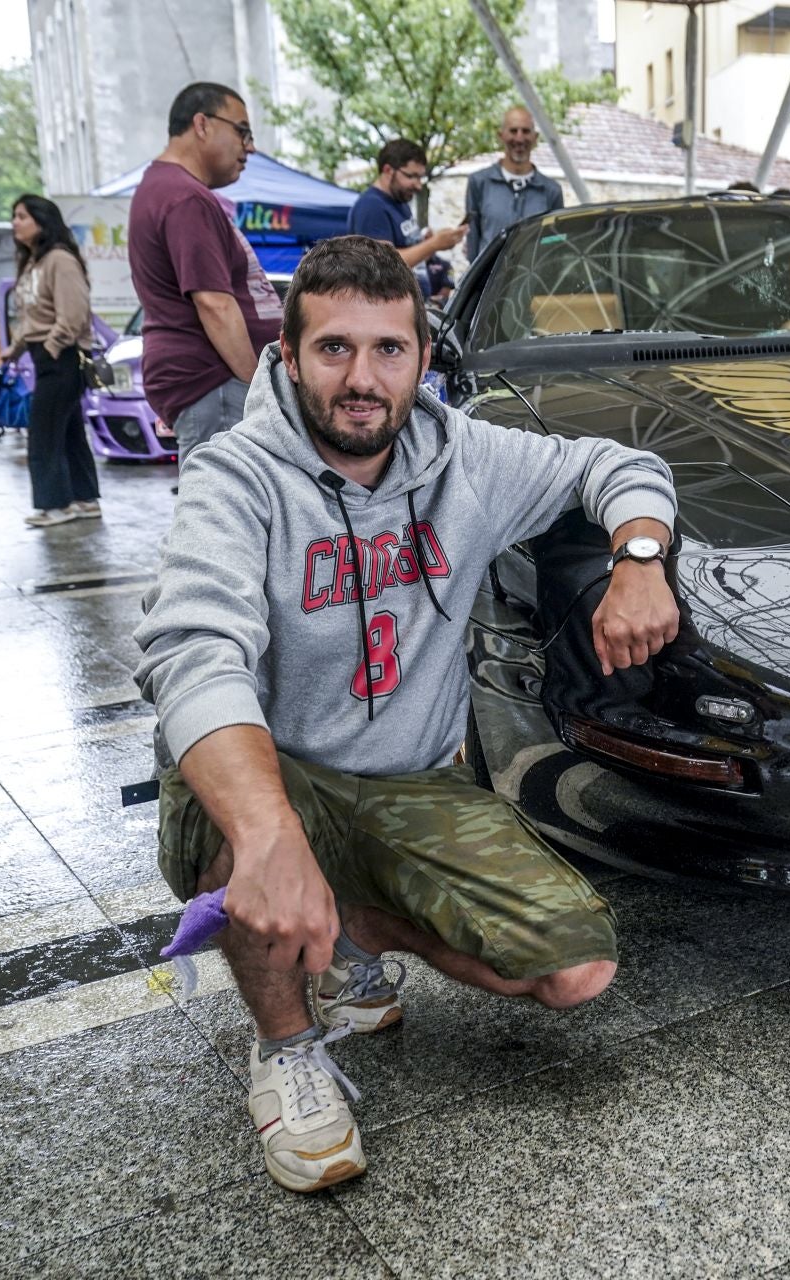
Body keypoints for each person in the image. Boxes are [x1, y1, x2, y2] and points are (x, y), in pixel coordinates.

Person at [133, 235, 679, 1195]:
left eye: (389, 349)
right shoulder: (237, 474)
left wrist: (639, 557)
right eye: (334, 348)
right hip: (278, 769)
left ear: (423, 361)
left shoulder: (465, 456)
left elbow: (615, 462)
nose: (362, 378)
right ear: (289, 357)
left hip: (411, 779)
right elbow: (193, 651)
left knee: (574, 970)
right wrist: (265, 835)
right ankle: (288, 1048)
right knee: (247, 820)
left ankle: (358, 926)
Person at [129, 82, 284, 458]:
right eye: (242, 131)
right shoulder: (184, 197)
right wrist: (257, 390)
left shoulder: (174, 190)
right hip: (215, 382)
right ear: (202, 124)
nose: (250, 147)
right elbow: (215, 305)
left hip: (214, 384)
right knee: (225, 511)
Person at [0, 194, 103, 528]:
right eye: (14, 216)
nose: (15, 222)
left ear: (43, 221)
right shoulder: (33, 263)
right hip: (45, 354)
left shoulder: (60, 259)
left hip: (62, 356)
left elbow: (73, 313)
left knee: (42, 431)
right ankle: (85, 499)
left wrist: (52, 346)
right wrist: (16, 348)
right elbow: (31, 316)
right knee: (68, 430)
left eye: (22, 216)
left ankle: (55, 505)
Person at [346, 139, 464, 287]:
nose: (418, 185)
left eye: (420, 177)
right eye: (411, 176)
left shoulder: (400, 201)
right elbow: (383, 264)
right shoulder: (371, 207)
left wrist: (427, 244)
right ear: (388, 170)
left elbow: (407, 256)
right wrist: (433, 245)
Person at [464, 107, 565, 260]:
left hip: (533, 279)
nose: (519, 139)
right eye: (513, 131)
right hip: (490, 281)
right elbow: (473, 239)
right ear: (501, 135)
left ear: (535, 137)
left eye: (525, 131)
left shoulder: (551, 191)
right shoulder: (479, 183)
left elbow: (557, 241)